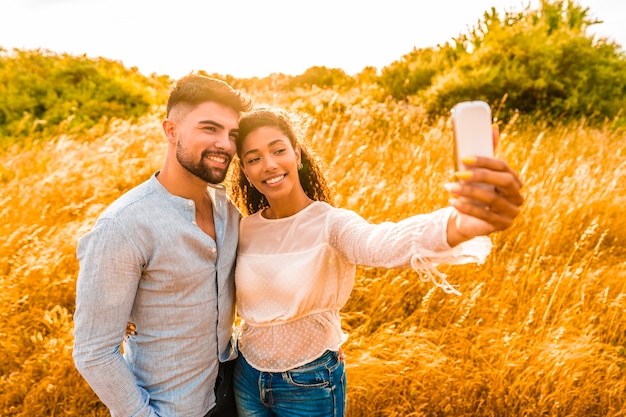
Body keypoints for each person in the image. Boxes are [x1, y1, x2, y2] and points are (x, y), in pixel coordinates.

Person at [228, 107, 524, 417]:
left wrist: (458, 225)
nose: (269, 164)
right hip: (247, 377)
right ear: (246, 172)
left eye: (278, 150)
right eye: (254, 158)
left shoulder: (331, 224)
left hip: (308, 382)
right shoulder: (244, 228)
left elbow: (380, 243)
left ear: (297, 154)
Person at [73, 73, 252, 417]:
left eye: (232, 134)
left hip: (231, 397)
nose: (226, 145)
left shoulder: (228, 210)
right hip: (171, 408)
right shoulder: (123, 225)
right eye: (209, 129)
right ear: (170, 130)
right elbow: (93, 352)